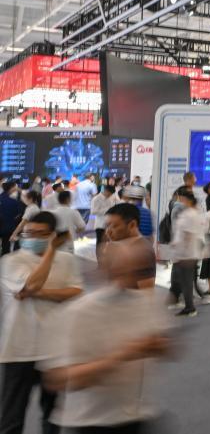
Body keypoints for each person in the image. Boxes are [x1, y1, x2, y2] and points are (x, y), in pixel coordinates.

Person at [44, 238, 170, 434]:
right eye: (124, 270)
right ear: (105, 270)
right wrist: (119, 357)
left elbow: (167, 348)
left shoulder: (148, 304)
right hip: (91, 422)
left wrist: (160, 347)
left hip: (137, 415)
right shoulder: (79, 313)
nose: (133, 278)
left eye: (141, 270)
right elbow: (59, 379)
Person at [0, 211, 83, 434]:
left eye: (40, 234)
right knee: (11, 418)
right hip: (18, 350)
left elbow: (75, 291)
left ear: (53, 235)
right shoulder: (10, 261)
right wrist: (50, 255)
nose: (32, 238)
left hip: (53, 350)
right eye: (28, 233)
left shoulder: (67, 260)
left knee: (52, 416)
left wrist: (35, 293)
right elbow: (32, 284)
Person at [168, 189, 203, 317]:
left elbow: (188, 234)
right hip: (186, 253)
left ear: (187, 200)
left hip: (187, 254)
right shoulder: (190, 213)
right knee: (185, 280)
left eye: (182, 199)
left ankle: (190, 308)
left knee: (186, 281)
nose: (180, 201)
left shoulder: (190, 214)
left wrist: (182, 252)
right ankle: (189, 306)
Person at [90, 184, 117, 251]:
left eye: (111, 194)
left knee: (108, 242)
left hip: (109, 225)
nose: (110, 196)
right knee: (100, 243)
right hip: (100, 225)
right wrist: (108, 210)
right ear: (106, 191)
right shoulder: (96, 199)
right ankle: (99, 256)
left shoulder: (111, 198)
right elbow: (93, 211)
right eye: (109, 194)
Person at [0, 181, 23, 256]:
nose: (16, 188)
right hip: (7, 227)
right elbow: (17, 214)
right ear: (11, 188)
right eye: (15, 187)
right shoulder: (13, 202)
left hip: (5, 225)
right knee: (6, 247)